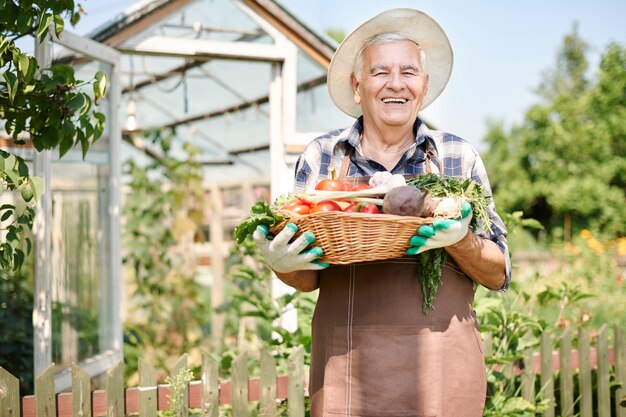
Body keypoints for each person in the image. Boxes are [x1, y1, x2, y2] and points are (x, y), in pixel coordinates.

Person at [253, 8, 511, 417]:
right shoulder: (325, 157)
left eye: (409, 72)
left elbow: (498, 272)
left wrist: (460, 239)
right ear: (357, 86)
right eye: (380, 72)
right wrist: (281, 262)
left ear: (423, 86)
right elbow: (306, 279)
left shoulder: (456, 156)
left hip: (442, 367)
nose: (396, 84)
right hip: (348, 370)